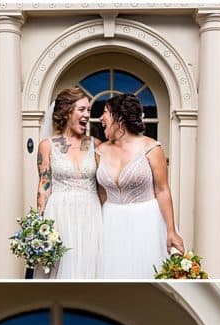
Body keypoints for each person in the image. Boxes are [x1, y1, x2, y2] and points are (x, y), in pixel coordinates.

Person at [97, 94, 184, 278]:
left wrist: (171, 231)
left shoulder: (151, 148)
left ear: (118, 117)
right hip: (110, 224)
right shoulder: (100, 151)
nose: (100, 118)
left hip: (146, 222)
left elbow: (162, 190)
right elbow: (100, 194)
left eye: (105, 113)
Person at [34, 87, 102, 279]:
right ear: (66, 112)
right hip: (59, 214)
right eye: (82, 110)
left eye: (89, 110)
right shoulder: (47, 145)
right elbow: (44, 186)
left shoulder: (96, 145)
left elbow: (102, 186)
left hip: (91, 213)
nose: (87, 115)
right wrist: (39, 225)